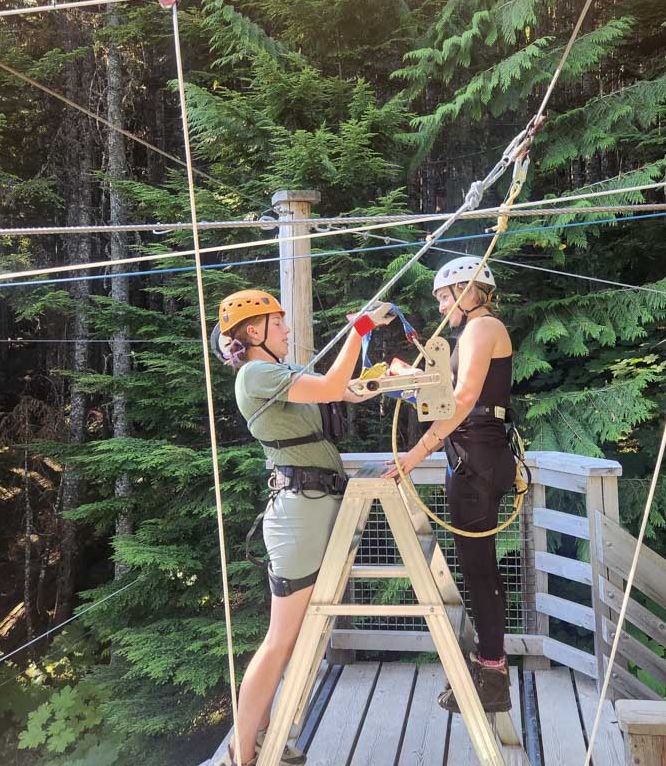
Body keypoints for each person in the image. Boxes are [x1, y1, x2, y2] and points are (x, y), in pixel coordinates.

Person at [215, 289, 393, 766]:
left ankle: (264, 732)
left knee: (295, 638)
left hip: (315, 506)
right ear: (254, 332)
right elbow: (335, 384)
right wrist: (358, 331)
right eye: (278, 322)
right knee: (281, 641)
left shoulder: (279, 373)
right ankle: (242, 750)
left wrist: (387, 378)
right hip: (300, 514)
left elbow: (346, 388)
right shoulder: (256, 374)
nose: (287, 329)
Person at [382, 257, 516, 714]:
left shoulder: (481, 329)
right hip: (474, 456)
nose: (440, 307)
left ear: (469, 290)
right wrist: (409, 382)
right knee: (475, 567)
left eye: (444, 296)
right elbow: (451, 398)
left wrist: (412, 457)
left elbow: (461, 401)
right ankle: (487, 671)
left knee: (478, 570)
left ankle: (492, 677)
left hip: (476, 458)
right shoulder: (474, 333)